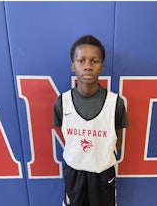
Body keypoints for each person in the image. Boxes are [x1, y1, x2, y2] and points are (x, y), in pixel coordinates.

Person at [53, 34, 128, 206]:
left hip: (103, 173)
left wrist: (98, 156)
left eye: (94, 61)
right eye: (81, 61)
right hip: (74, 172)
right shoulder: (62, 102)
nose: (87, 66)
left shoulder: (115, 103)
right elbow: (64, 134)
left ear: (102, 67)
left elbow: (118, 140)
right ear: (73, 65)